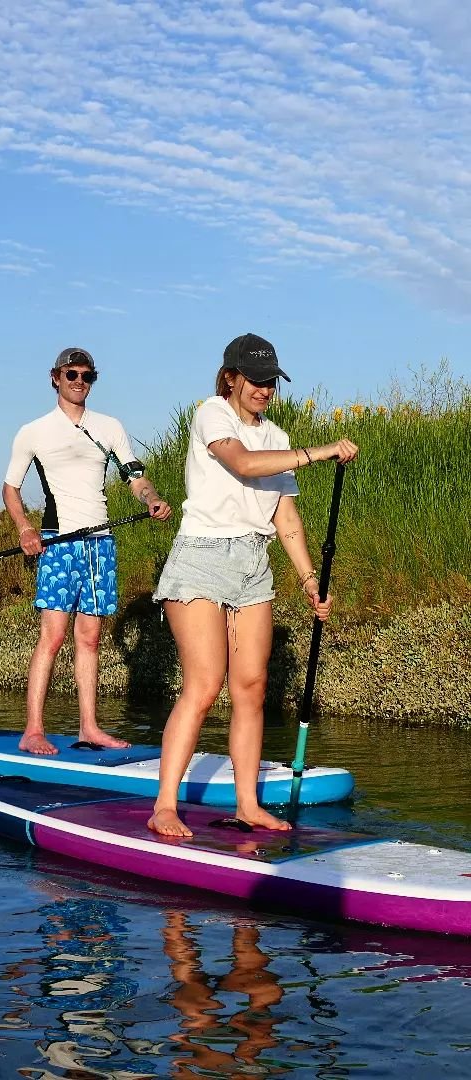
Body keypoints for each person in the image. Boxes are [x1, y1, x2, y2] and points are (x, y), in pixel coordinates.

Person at [148, 333, 359, 838]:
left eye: (271, 381)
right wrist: (320, 451)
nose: (264, 389)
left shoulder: (279, 437)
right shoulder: (211, 414)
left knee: (252, 687)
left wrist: (310, 579)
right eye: (256, 380)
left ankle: (248, 804)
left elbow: (285, 516)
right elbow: (242, 463)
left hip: (253, 564)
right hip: (200, 558)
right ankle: (164, 806)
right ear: (231, 378)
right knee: (204, 685)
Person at [3, 346, 172, 756]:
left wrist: (150, 498)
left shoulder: (110, 426)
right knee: (54, 635)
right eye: (71, 374)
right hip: (58, 542)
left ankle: (89, 728)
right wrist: (26, 529)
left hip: (99, 543)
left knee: (90, 637)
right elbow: (11, 489)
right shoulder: (33, 431)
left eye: (87, 376)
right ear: (55, 378)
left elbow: (135, 477)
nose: (79, 382)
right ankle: (33, 730)